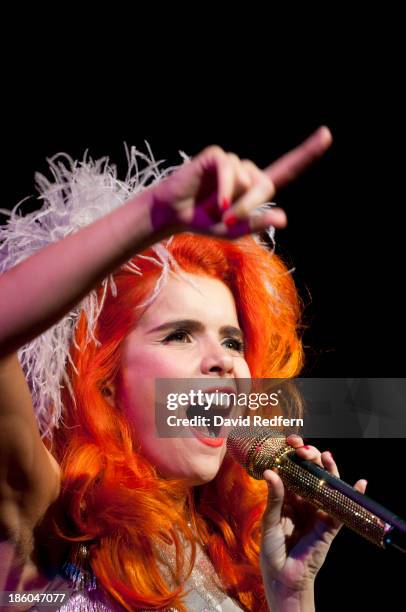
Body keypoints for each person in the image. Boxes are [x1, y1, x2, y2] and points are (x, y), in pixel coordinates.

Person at [0, 129, 368, 611]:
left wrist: (292, 595)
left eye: (232, 340)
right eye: (180, 334)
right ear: (107, 382)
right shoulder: (55, 523)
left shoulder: (238, 563)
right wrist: (151, 218)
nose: (225, 360)